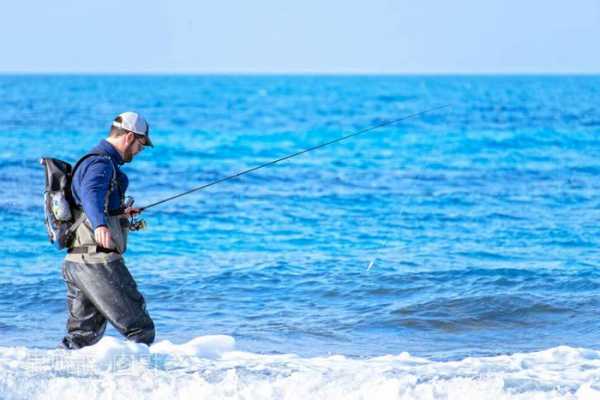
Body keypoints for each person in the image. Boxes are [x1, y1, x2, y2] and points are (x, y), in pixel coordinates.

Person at [60, 111, 155, 349]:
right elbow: (91, 194)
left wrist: (118, 214)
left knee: (82, 338)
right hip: (97, 262)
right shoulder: (100, 163)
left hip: (77, 261)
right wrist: (101, 225)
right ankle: (143, 384)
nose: (141, 150)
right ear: (130, 136)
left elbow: (90, 202)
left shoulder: (97, 162)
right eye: (141, 143)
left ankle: (64, 382)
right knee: (140, 330)